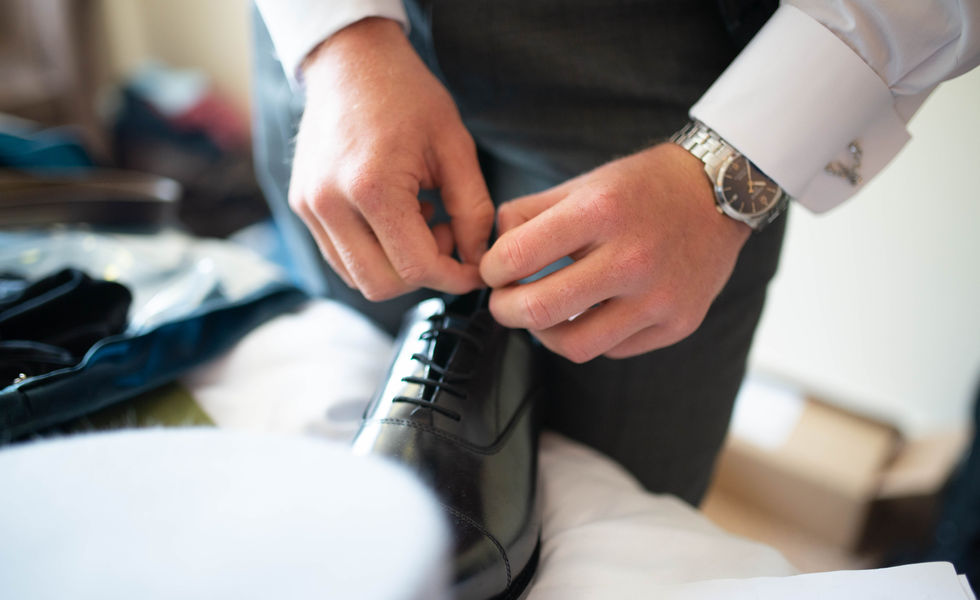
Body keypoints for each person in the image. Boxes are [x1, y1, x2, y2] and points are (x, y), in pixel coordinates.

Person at [251, 1, 979, 505]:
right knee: (345, 401)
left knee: (616, 511)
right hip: (341, 56)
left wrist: (731, 165)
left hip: (668, 69)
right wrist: (335, 38)